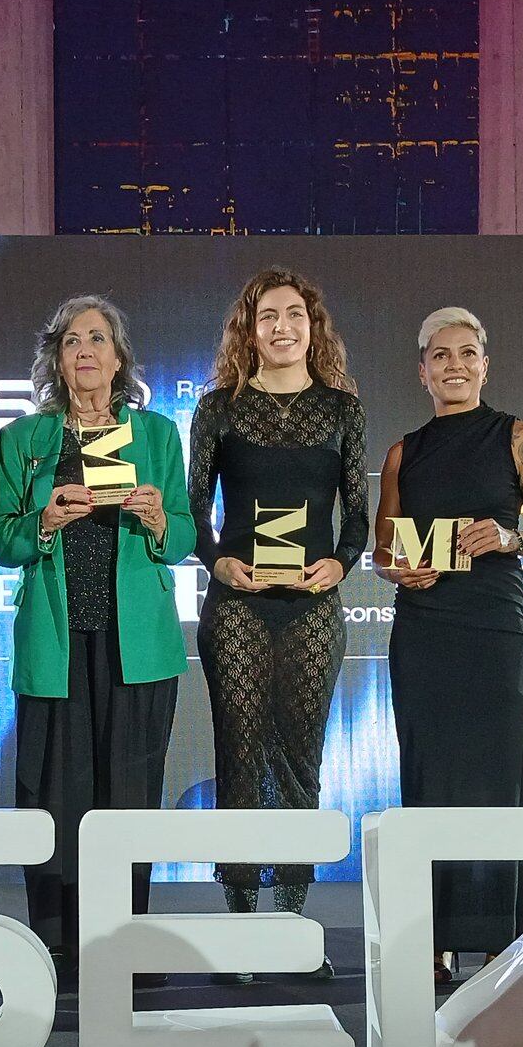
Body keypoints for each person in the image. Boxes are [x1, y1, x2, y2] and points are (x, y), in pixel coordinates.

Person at [0, 296, 193, 987]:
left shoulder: (155, 434)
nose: (85, 351)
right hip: (56, 641)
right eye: (72, 340)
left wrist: (159, 519)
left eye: (98, 338)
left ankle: (124, 939)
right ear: (56, 357)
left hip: (137, 645)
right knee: (55, 791)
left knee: (128, 793)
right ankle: (56, 942)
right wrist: (43, 520)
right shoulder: (27, 439)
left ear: (119, 356)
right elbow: (3, 539)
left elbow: (185, 536)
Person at [374, 306, 523, 983]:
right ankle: (429, 942)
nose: (453, 365)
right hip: (424, 632)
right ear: (422, 371)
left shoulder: (521, 439)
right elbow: (382, 549)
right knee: (429, 782)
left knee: (499, 784)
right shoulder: (404, 453)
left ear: (485, 365)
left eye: (466, 353)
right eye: (440, 355)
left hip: (495, 632)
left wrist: (511, 537)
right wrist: (398, 569)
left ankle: (501, 942)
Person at [188, 268, 368, 983]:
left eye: (295, 314)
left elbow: (357, 514)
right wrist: (218, 563)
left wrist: (340, 565)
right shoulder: (218, 409)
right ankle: (240, 928)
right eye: (269, 316)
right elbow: (193, 510)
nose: (282, 327)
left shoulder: (342, 410)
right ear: (250, 328)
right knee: (239, 756)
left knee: (299, 759)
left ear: (312, 326)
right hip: (238, 605)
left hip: (312, 609)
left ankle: (291, 923)